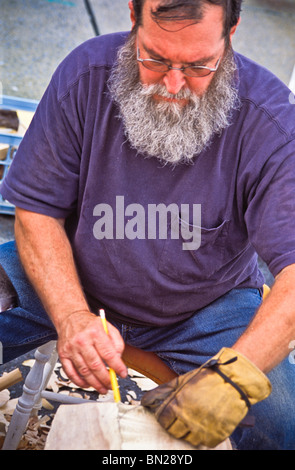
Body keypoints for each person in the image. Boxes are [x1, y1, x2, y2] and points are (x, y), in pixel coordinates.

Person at [0, 0, 295, 450]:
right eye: (154, 59)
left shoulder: (272, 122)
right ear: (133, 19)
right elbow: (37, 211)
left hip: (206, 307)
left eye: (198, 66)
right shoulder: (86, 73)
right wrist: (72, 314)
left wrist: (232, 379)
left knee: (284, 427)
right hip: (72, 271)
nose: (173, 85)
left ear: (231, 32)